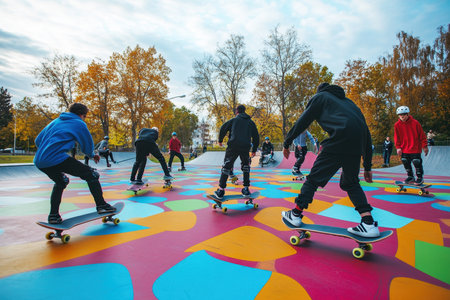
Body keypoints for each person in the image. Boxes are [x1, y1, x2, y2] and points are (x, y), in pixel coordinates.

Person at [281, 83, 379, 238]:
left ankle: (295, 214)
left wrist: (287, 142)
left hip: (338, 141)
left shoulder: (320, 97)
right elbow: (366, 133)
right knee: (351, 183)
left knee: (313, 179)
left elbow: (303, 121)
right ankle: (368, 223)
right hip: (356, 145)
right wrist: (367, 166)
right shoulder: (350, 104)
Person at [34, 103, 116, 224]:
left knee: (61, 181)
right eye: (85, 116)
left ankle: (53, 216)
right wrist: (92, 155)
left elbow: (38, 140)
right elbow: (86, 146)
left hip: (39, 161)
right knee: (92, 175)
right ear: (82, 115)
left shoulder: (55, 121)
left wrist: (47, 150)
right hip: (57, 157)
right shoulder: (79, 123)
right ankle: (102, 206)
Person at [214, 105, 259, 199]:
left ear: (237, 112)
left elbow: (223, 128)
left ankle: (221, 190)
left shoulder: (234, 120)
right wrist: (254, 150)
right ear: (244, 112)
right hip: (245, 147)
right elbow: (256, 136)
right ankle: (246, 189)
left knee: (227, 166)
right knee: (246, 166)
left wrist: (220, 140)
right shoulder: (250, 122)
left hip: (233, 146)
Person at [394, 106, 428, 185]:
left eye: (404, 114)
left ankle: (419, 178)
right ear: (398, 116)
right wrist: (398, 147)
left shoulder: (415, 123)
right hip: (404, 148)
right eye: (400, 115)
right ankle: (410, 177)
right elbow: (396, 137)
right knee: (405, 161)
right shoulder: (397, 125)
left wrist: (425, 146)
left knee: (417, 162)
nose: (402, 116)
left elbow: (422, 135)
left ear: (407, 114)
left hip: (415, 148)